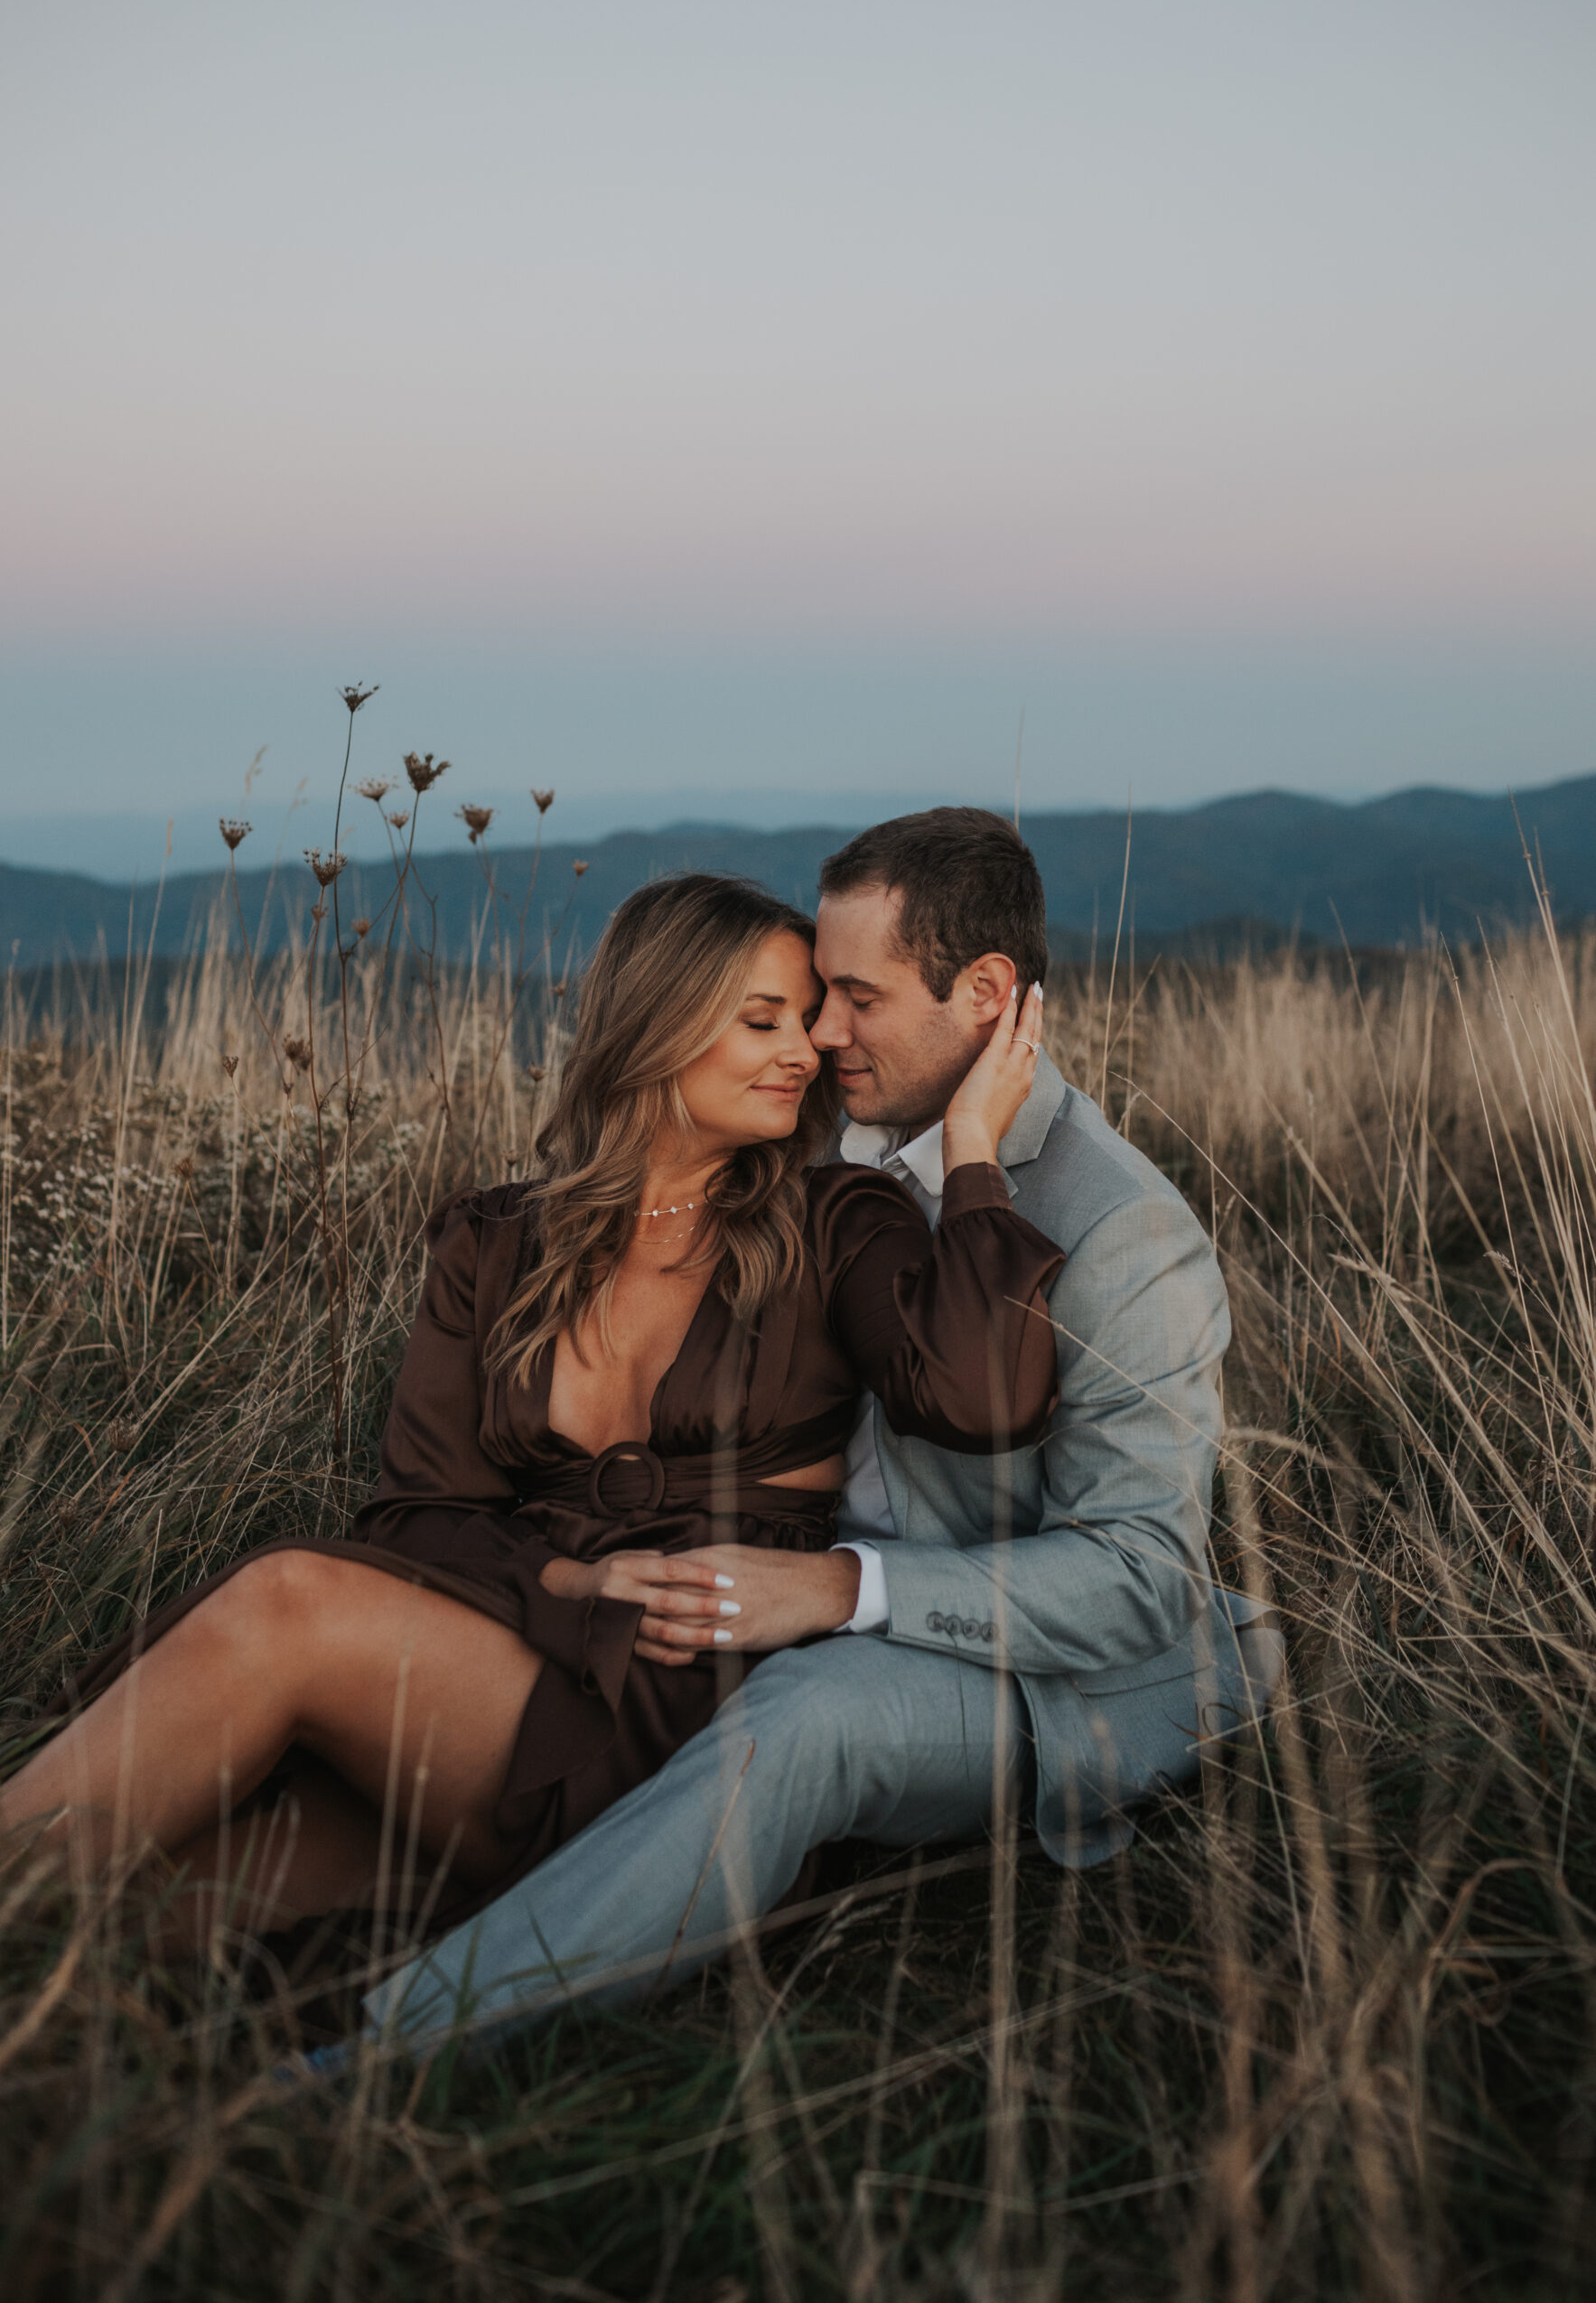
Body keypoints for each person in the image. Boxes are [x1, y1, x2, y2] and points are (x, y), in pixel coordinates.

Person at [362, 808, 1283, 2055]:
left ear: (985, 994)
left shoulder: (1117, 1229)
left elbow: (1134, 1582)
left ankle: (380, 2057)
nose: (819, 1034)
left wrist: (843, 1588)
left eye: (853, 997)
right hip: (781, 1616)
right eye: (802, 1004)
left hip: (1047, 1671)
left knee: (808, 1717)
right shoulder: (834, 1140)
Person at [1, 873, 1060, 1948]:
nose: (809, 1048)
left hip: (691, 1688)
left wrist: (973, 1148)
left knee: (288, 1600)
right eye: (764, 1020)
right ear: (657, 1023)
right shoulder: (494, 1240)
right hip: (515, 1653)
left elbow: (982, 1398)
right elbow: (417, 1514)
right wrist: (571, 1580)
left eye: (813, 1018)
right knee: (137, 1906)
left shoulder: (836, 1219)